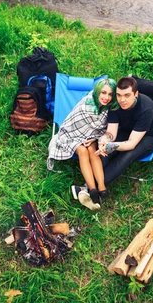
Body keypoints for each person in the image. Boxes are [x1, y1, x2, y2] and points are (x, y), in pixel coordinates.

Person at [47, 78, 118, 210]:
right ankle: (92, 189)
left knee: (93, 149)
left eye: (110, 94)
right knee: (83, 151)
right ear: (97, 92)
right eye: (103, 93)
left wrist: (94, 138)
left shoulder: (109, 109)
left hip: (90, 136)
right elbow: (72, 124)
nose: (106, 97)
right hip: (70, 134)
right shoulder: (88, 102)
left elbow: (101, 129)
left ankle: (102, 188)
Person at [95, 76, 153, 188]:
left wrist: (112, 146)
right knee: (102, 152)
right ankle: (93, 184)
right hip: (126, 131)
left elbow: (131, 143)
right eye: (119, 95)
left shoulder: (146, 108)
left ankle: (95, 186)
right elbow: (111, 133)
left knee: (125, 156)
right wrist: (104, 140)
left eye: (127, 95)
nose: (122, 100)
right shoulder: (115, 104)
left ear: (135, 94)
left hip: (148, 137)